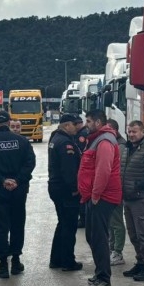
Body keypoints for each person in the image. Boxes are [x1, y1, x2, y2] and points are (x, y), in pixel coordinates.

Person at [0, 110, 36, 279]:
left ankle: (3, 263)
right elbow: (30, 163)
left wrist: (3, 180)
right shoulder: (22, 141)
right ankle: (16, 261)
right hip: (18, 190)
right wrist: (17, 180)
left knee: (1, 225)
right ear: (9, 122)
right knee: (18, 224)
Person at [77, 109, 122, 286]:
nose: (86, 124)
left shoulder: (104, 141)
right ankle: (100, 273)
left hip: (102, 197)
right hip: (95, 197)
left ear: (97, 122)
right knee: (92, 237)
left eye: (88, 121)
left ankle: (104, 278)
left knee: (99, 238)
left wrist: (95, 195)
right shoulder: (96, 139)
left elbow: (104, 170)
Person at [120, 120, 144, 282]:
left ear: (143, 132)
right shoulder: (127, 149)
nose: (131, 134)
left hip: (142, 199)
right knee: (134, 234)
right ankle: (141, 262)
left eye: (134, 131)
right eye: (129, 131)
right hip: (128, 199)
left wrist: (138, 187)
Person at [48, 113, 84, 271]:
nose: (77, 127)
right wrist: (75, 189)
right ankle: (68, 261)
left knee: (62, 224)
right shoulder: (65, 143)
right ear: (66, 125)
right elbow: (68, 170)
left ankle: (56, 259)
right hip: (65, 190)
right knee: (69, 226)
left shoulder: (56, 138)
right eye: (74, 124)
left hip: (56, 187)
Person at [106, 119, 127, 266]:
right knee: (111, 221)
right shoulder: (114, 143)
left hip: (116, 188)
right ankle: (112, 248)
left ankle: (117, 251)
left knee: (117, 221)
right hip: (109, 188)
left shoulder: (120, 146)